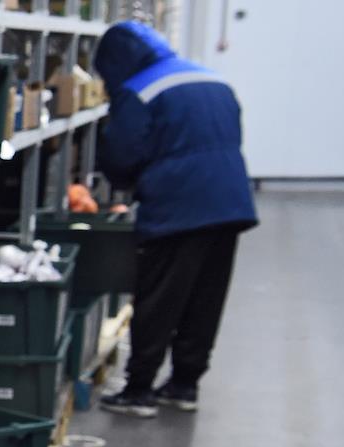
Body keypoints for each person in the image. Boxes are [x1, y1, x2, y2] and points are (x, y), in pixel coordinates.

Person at [93, 20, 258, 418]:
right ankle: (185, 384)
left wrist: (125, 179)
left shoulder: (140, 89)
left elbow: (122, 155)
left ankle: (138, 390)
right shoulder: (210, 77)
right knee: (205, 298)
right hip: (230, 202)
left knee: (160, 299)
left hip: (178, 208)